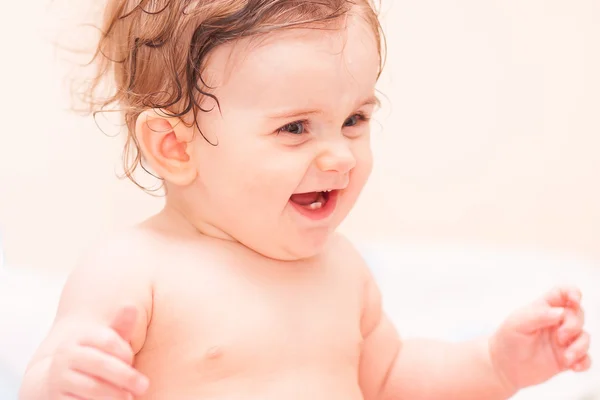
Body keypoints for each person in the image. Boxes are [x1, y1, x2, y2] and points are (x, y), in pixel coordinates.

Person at [19, 0, 591, 398]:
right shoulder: (134, 271)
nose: (339, 156)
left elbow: (391, 378)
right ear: (175, 145)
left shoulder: (340, 269)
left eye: (353, 119)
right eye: (295, 128)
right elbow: (48, 373)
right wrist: (61, 383)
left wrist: (493, 364)